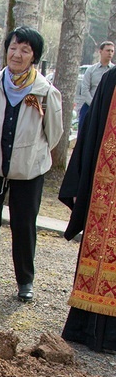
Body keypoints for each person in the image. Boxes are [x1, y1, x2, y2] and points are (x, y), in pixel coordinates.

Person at [0, 26, 63, 305]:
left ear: (34, 56)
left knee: (24, 225)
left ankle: (25, 280)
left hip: (29, 169)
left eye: (25, 50)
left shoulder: (45, 92)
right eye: (13, 47)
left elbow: (54, 133)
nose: (17, 54)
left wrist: (30, 151)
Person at [59, 66, 116, 351]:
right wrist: (79, 185)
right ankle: (87, 329)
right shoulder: (111, 78)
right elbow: (91, 134)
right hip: (105, 192)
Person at [79, 40, 114, 127]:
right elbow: (85, 90)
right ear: (100, 51)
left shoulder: (113, 71)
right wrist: (94, 105)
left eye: (112, 51)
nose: (110, 53)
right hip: (90, 106)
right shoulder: (91, 70)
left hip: (109, 109)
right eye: (107, 50)